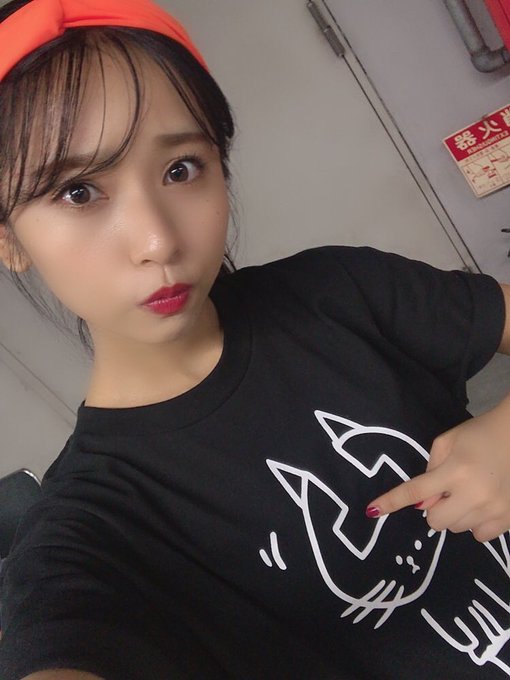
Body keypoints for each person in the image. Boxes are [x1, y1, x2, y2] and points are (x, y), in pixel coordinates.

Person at [0, 1, 509, 678]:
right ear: (9, 239)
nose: (157, 240)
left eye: (181, 169)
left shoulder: (338, 292)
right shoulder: (93, 528)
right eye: (79, 192)